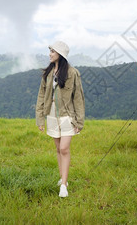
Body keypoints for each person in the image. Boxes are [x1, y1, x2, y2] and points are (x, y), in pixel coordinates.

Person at [35, 41, 85, 198]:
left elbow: (78, 98)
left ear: (60, 54)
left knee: (64, 148)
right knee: (58, 149)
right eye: (49, 51)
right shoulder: (48, 74)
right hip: (51, 115)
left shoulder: (72, 73)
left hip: (67, 116)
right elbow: (41, 96)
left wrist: (79, 121)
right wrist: (40, 119)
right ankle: (63, 178)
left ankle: (63, 185)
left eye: (53, 51)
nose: (50, 54)